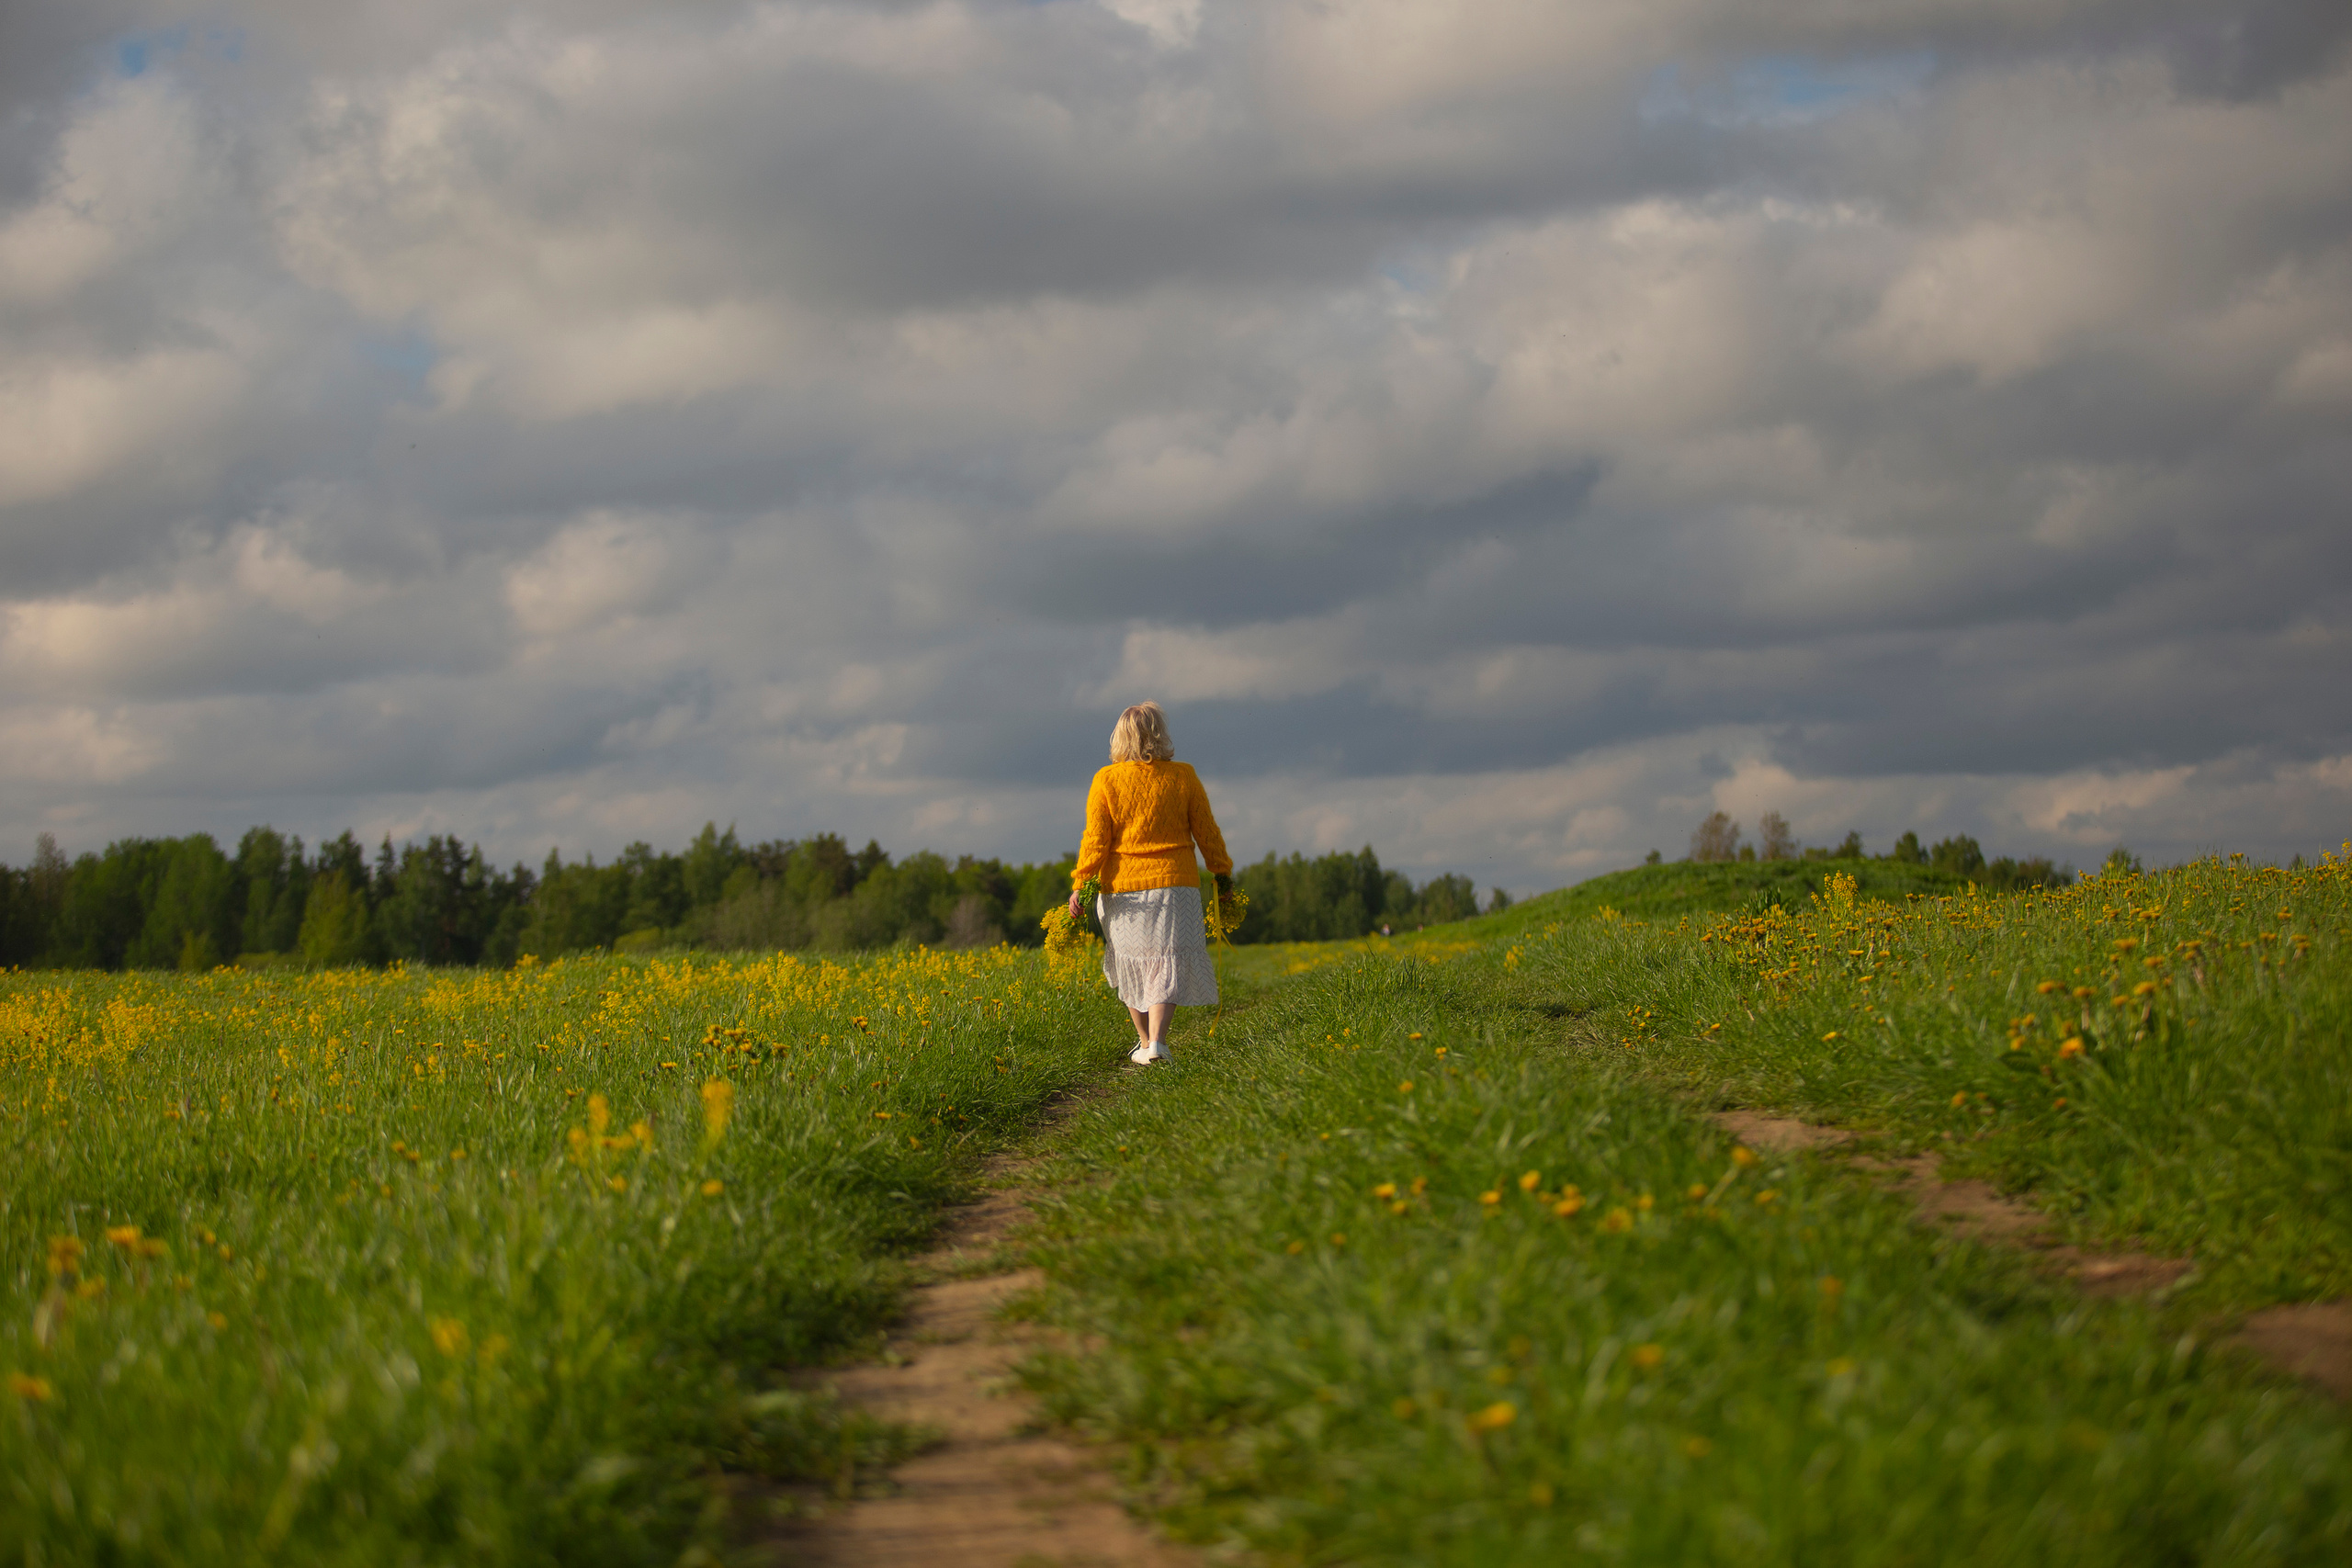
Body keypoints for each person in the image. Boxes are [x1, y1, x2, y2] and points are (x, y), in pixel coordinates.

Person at [1069, 702, 1233, 1065]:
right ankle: (1156, 1043)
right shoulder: (1184, 776)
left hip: (1122, 889)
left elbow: (1096, 840)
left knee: (1132, 962)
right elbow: (1206, 830)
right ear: (1160, 733)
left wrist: (1081, 881)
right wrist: (1221, 873)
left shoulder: (1105, 780)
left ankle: (1146, 1042)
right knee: (1167, 961)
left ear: (1119, 737)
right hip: (1176, 885)